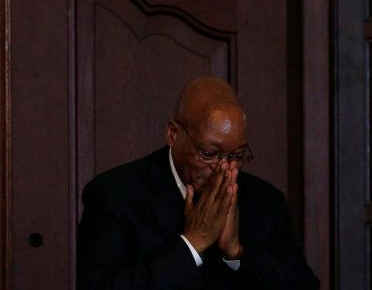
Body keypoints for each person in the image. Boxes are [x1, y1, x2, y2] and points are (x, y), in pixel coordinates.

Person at [77, 77, 320, 289]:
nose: (223, 167)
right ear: (173, 134)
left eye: (236, 156)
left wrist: (237, 254)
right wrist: (191, 244)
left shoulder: (267, 201)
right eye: (209, 153)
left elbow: (303, 285)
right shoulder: (113, 193)